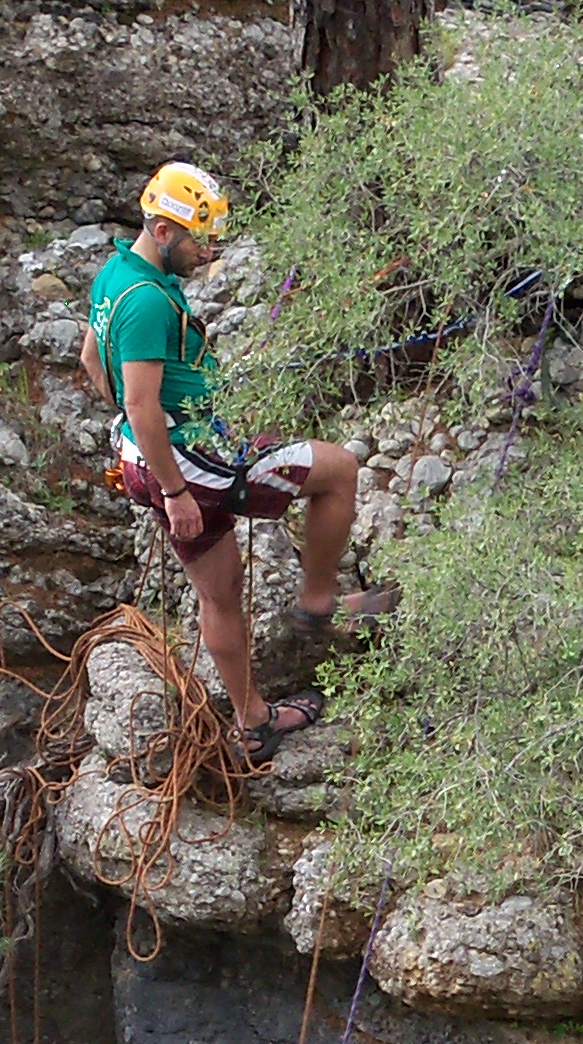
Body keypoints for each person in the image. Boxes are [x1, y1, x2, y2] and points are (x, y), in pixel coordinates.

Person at [81, 163, 395, 764]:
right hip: (185, 467)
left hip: (154, 457)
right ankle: (318, 604)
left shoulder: (115, 275)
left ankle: (254, 724)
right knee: (338, 471)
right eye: (201, 241)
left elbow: (93, 359)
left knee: (219, 594)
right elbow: (143, 403)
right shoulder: (149, 303)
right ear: (165, 231)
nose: (209, 253)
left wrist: (151, 434)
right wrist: (175, 489)